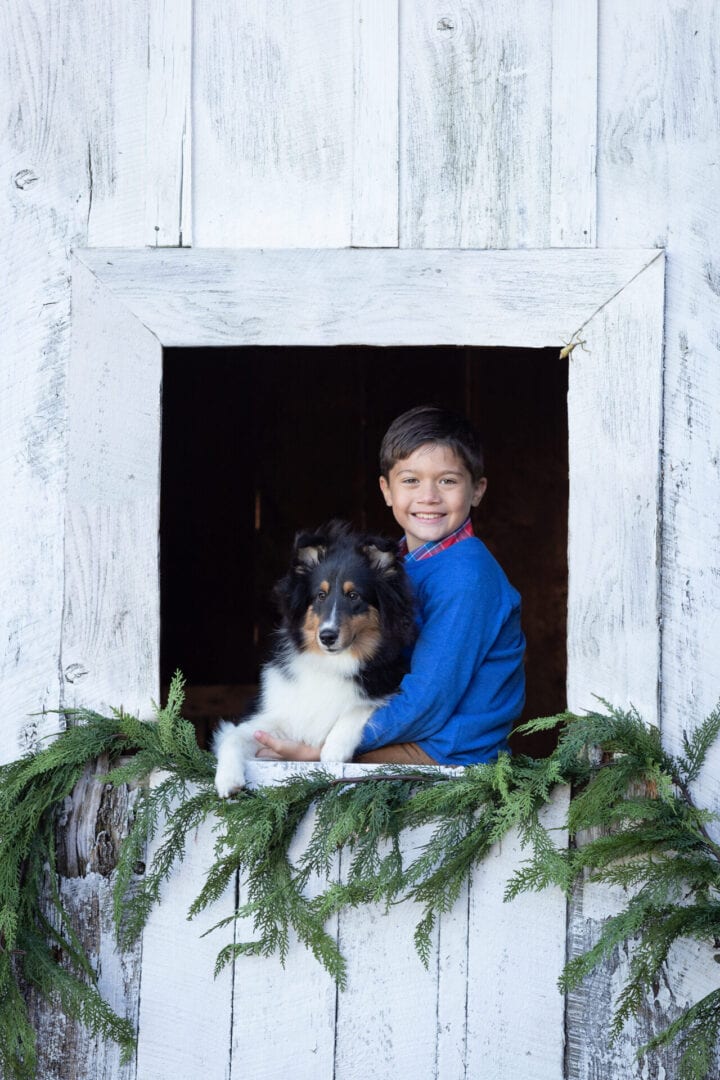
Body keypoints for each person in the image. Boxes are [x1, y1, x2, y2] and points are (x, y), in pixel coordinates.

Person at [254, 405, 526, 766]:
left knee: (302, 772)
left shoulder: (467, 576)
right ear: (386, 489)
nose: (428, 496)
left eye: (448, 481)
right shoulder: (396, 562)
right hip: (411, 739)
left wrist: (325, 746)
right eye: (411, 480)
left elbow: (428, 701)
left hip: (449, 754)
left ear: (477, 490)